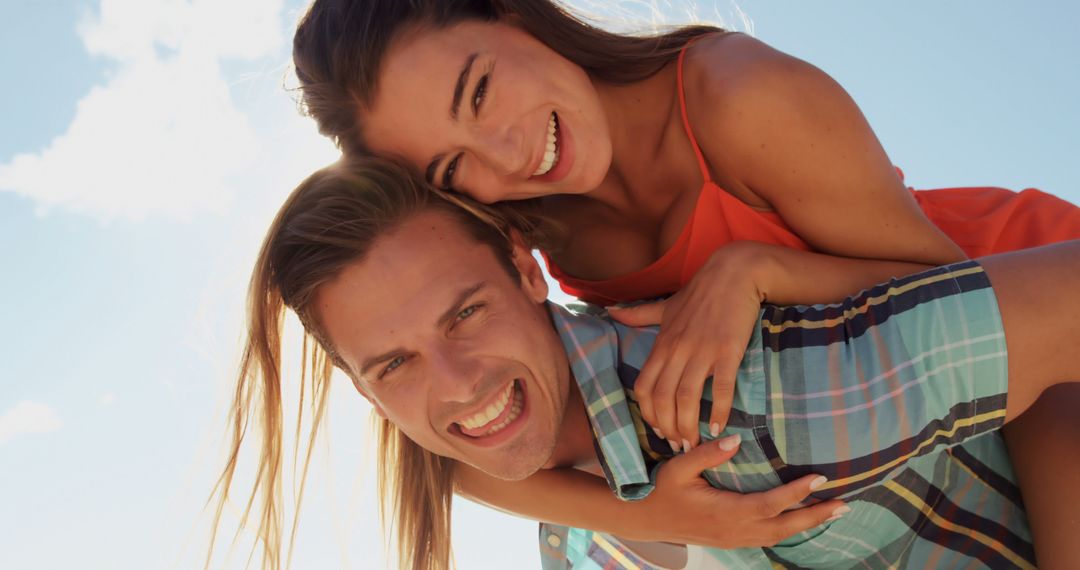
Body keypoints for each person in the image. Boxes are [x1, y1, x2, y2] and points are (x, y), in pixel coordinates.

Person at [289, 1, 1080, 565]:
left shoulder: (736, 96)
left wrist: (755, 271)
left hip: (1024, 314)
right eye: (452, 167)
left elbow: (949, 291)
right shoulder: (538, 220)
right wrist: (645, 511)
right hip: (917, 402)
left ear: (515, 16)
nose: (505, 152)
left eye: (481, 90)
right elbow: (452, 448)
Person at [210, 158, 1079, 569]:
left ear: (523, 267)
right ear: (364, 390)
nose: (457, 383)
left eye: (466, 313)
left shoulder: (758, 396)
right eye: (393, 364)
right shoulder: (569, 530)